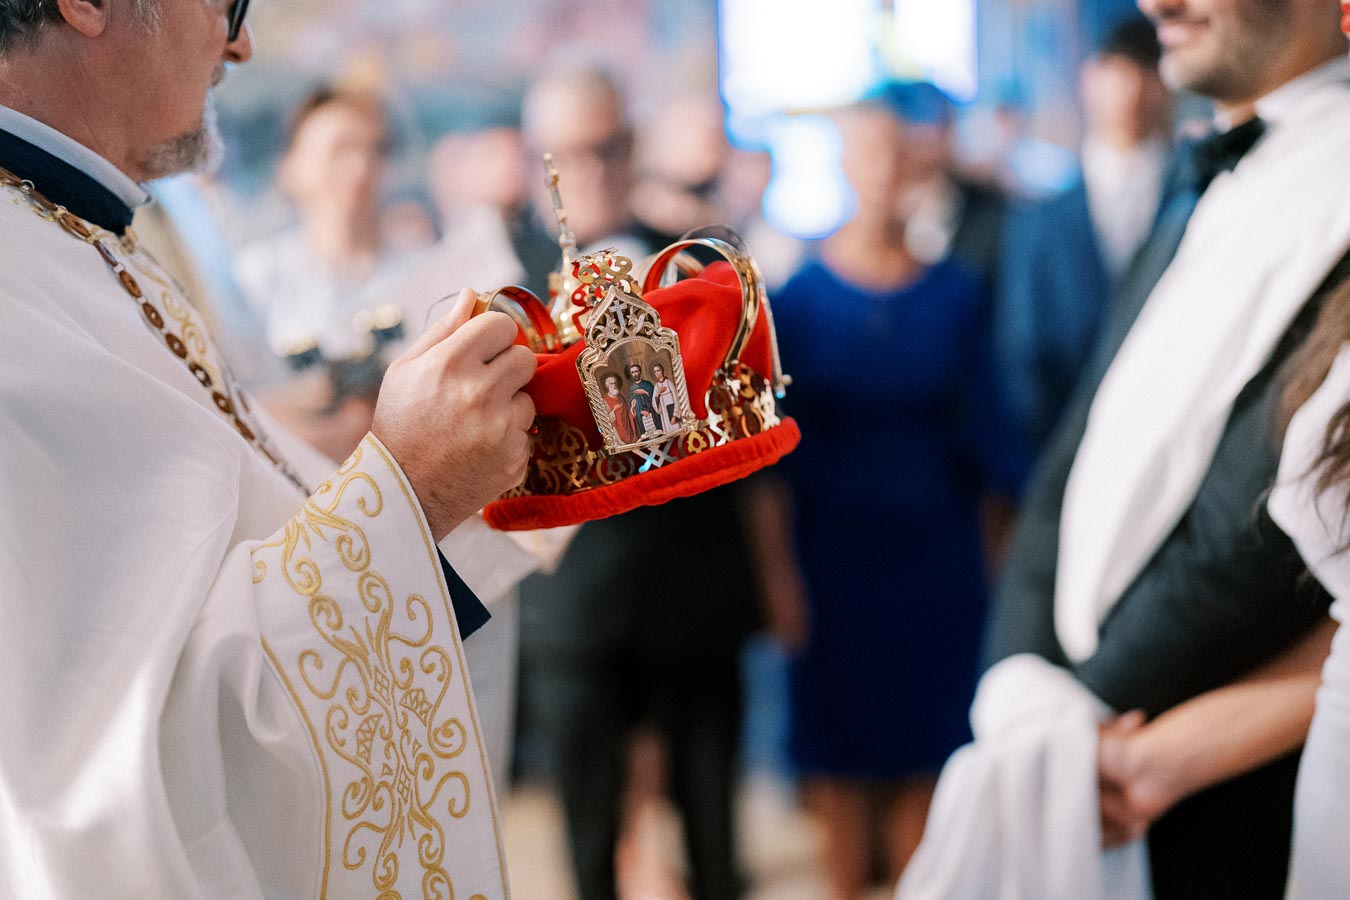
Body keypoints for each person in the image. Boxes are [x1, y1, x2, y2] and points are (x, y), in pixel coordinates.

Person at [0, 0, 548, 895]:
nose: (241, 41)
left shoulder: (78, 236)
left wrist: (483, 463)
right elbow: (100, 799)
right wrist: (405, 492)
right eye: (229, 2)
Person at [902, 0, 1350, 896]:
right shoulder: (1215, 167)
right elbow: (1079, 439)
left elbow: (1249, 520)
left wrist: (1095, 717)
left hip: (1217, 775)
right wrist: (1022, 677)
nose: (1156, 5)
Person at [767, 98, 1027, 899]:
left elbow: (990, 448)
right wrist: (778, 579)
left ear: (915, 170)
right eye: (865, 155)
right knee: (839, 764)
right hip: (835, 559)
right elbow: (768, 464)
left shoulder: (955, 296)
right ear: (844, 168)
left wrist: (1001, 579)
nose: (881, 174)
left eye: (894, 156)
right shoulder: (798, 302)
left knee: (929, 759)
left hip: (935, 560)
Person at [515, 65, 760, 900]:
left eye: (611, 146)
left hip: (693, 581)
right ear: (534, 157)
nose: (592, 169)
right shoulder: (496, 275)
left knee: (718, 839)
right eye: (569, 153)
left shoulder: (695, 259)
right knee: (587, 844)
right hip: (572, 597)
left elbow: (744, 416)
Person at [997, 16, 1175, 454]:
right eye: (1117, 70)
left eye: (1146, 72)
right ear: (1090, 79)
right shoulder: (1039, 220)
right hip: (1066, 448)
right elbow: (1023, 355)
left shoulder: (1198, 193)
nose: (1131, 90)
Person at [626, 363, 659, 439]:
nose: (635, 374)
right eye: (633, 372)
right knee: (645, 436)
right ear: (631, 374)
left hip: (652, 412)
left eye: (636, 371)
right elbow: (631, 403)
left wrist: (645, 392)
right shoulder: (631, 389)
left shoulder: (648, 384)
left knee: (657, 432)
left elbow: (656, 398)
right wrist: (633, 404)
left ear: (640, 372)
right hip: (640, 414)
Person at [603, 372, 639, 444]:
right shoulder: (605, 400)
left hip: (627, 428)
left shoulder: (621, 396)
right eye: (611, 384)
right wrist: (614, 410)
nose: (614, 385)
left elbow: (628, 411)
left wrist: (632, 407)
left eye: (615, 383)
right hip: (618, 432)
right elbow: (607, 420)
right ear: (607, 386)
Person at [651, 362, 678, 431]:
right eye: (655, 371)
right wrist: (659, 393)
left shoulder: (669, 382)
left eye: (658, 370)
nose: (656, 373)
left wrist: (675, 415)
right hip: (664, 415)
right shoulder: (656, 386)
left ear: (662, 371)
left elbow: (676, 398)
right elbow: (654, 402)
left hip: (672, 413)